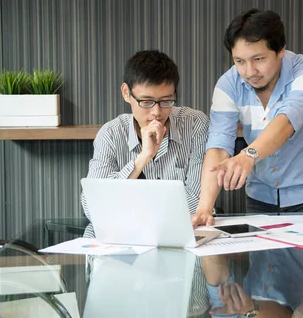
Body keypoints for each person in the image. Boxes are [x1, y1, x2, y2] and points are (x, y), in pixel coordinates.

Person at [192, 9, 303, 226]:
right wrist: (204, 208)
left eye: (259, 59)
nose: (250, 71)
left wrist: (248, 155)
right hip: (259, 198)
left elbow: (284, 124)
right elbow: (219, 145)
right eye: (240, 61)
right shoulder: (228, 85)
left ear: (280, 49)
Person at [81, 50, 209, 237]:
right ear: (126, 93)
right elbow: (93, 208)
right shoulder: (110, 134)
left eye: (166, 101)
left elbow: (198, 201)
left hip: (181, 238)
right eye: (147, 102)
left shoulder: (195, 124)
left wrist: (129, 209)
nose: (157, 112)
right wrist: (143, 158)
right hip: (125, 244)